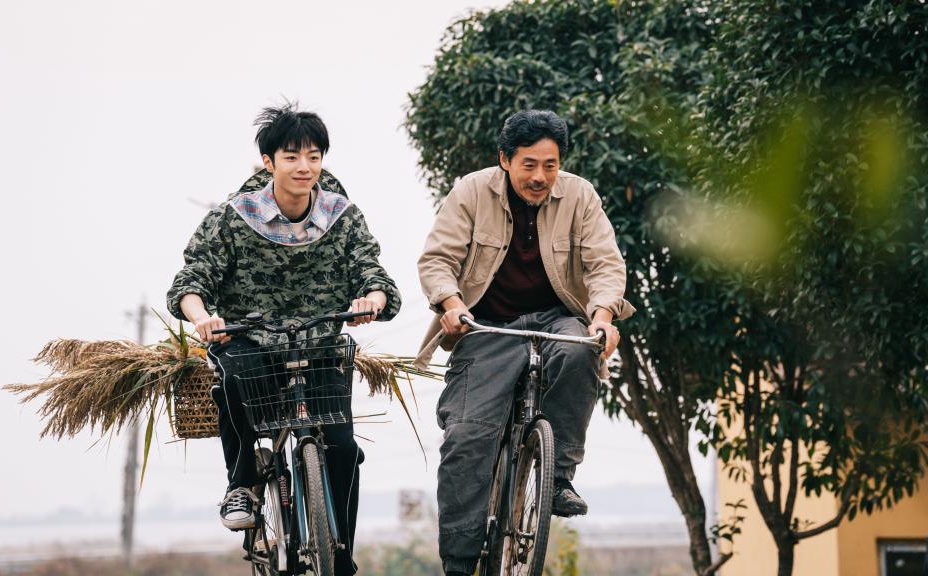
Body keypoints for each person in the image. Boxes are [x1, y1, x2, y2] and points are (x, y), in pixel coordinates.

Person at [167, 103, 400, 576]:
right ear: (268, 162)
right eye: (291, 157)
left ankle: (340, 557)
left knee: (342, 448)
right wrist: (203, 318)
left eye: (313, 157)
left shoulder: (342, 216)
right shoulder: (233, 218)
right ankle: (242, 484)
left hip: (320, 348)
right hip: (250, 341)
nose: (304, 167)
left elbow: (374, 274)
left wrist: (370, 300)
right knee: (234, 377)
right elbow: (190, 281)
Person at [415, 109, 634, 575]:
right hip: (487, 326)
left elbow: (606, 265)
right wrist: (452, 304)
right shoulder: (471, 192)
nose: (539, 177)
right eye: (529, 164)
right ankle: (459, 560)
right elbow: (437, 260)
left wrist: (602, 317)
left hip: (557, 319)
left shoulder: (580, 195)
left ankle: (557, 478)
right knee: (467, 436)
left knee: (580, 350)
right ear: (505, 159)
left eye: (550, 165)